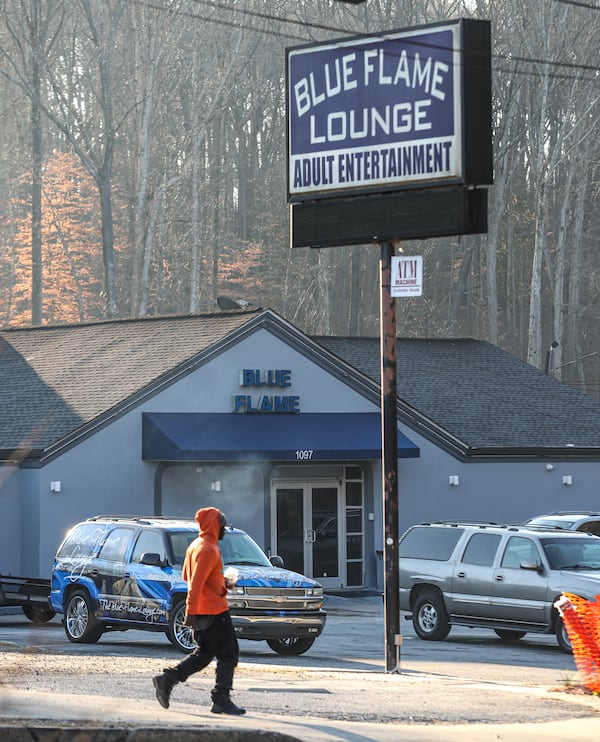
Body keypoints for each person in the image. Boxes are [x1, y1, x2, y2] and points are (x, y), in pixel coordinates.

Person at [152, 507, 245, 715]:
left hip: (205, 609)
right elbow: (194, 583)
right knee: (229, 653)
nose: (224, 530)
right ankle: (221, 698)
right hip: (214, 610)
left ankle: (167, 680)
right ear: (215, 525)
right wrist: (190, 612)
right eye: (222, 525)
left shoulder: (195, 545)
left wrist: (223, 584)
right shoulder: (209, 549)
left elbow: (188, 576)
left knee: (204, 654)